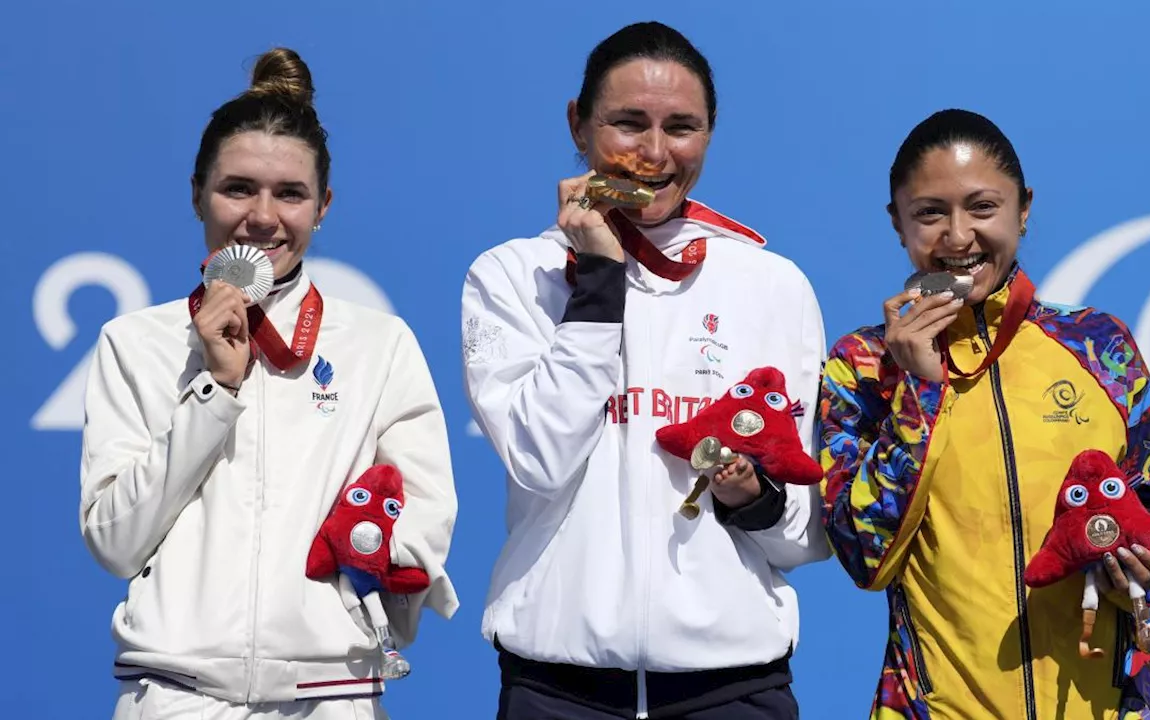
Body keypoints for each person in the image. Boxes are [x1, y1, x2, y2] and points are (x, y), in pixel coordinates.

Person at [461, 21, 827, 720]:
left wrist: (755, 499)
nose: (655, 153)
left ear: (711, 133)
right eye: (629, 123)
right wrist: (598, 279)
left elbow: (801, 532)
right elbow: (539, 461)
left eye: (681, 127)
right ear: (578, 122)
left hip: (734, 689)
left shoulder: (772, 284)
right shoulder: (512, 275)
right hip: (558, 691)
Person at [80, 47, 459, 720]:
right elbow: (114, 541)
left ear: (324, 206)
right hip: (176, 698)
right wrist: (214, 393)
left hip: (331, 698)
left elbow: (423, 522)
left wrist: (367, 561)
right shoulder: (135, 343)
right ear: (197, 191)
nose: (262, 218)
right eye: (237, 189)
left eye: (290, 194)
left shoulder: (378, 344)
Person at [819, 108, 1150, 719]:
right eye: (930, 213)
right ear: (898, 223)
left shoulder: (1098, 346)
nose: (958, 236)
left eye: (982, 208)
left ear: (1023, 208)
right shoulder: (864, 365)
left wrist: (1140, 563)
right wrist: (919, 387)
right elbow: (865, 555)